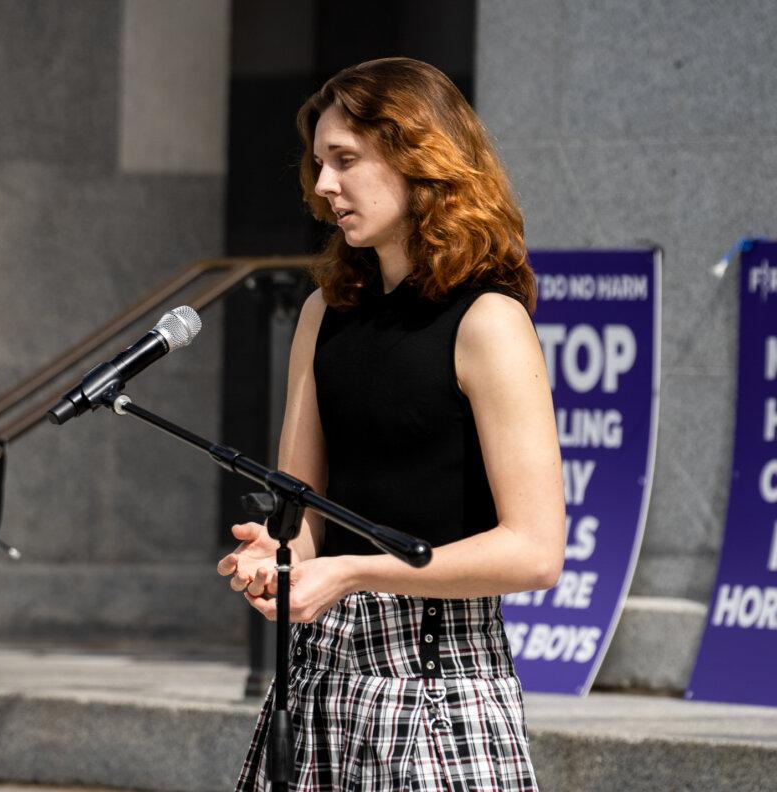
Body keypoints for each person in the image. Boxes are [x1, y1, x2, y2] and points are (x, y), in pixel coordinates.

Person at [217, 58, 565, 791]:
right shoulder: (322, 314)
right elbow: (302, 511)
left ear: (421, 160)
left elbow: (534, 553)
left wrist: (350, 572)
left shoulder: (488, 322)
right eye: (318, 164)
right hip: (320, 684)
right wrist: (276, 557)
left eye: (346, 161)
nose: (323, 187)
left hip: (439, 688)